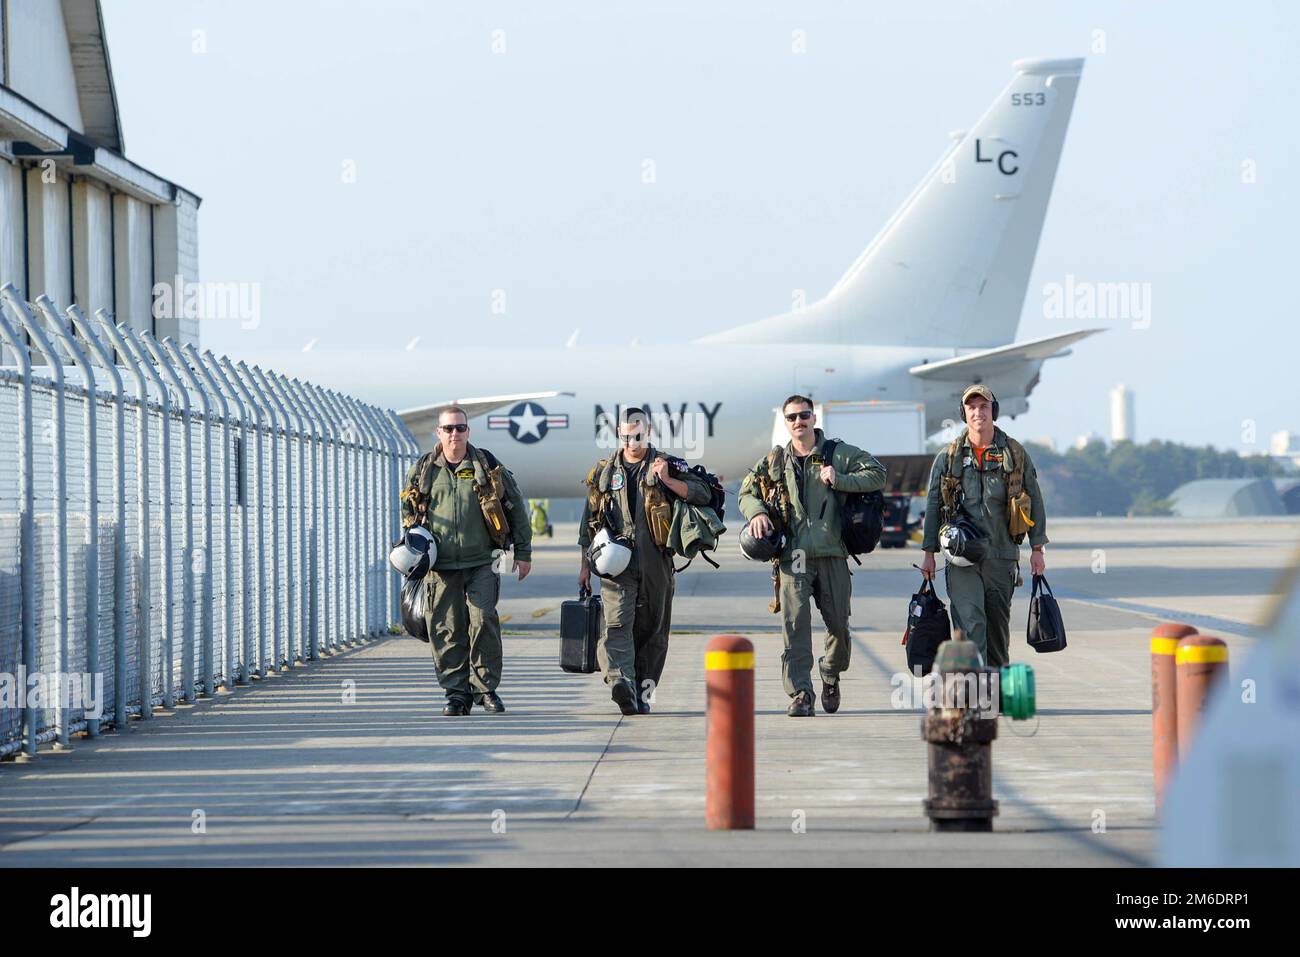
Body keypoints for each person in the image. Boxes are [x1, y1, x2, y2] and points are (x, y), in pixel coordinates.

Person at [737, 395, 886, 717]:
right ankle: (801, 693)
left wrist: (841, 479)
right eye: (791, 417)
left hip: (832, 553)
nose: (798, 422)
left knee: (839, 627)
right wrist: (756, 514)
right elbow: (746, 492)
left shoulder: (838, 453)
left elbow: (877, 474)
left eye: (804, 415)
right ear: (786, 422)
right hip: (795, 556)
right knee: (795, 627)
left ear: (813, 418)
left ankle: (830, 673)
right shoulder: (775, 461)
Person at [578, 408, 712, 715]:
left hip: (656, 558)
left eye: (637, 435)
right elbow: (589, 521)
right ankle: (620, 682)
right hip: (615, 561)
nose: (631, 441)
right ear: (619, 434)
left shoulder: (667, 464)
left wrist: (667, 479)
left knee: (654, 630)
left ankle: (643, 692)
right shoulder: (603, 472)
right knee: (616, 624)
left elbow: (701, 493)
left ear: (647, 432)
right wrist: (584, 566)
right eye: (626, 435)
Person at [400, 405, 532, 715]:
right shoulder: (424, 469)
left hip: (481, 562)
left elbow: (516, 509)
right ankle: (456, 694)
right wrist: (414, 551)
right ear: (439, 432)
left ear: (468, 431)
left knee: (483, 621)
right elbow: (408, 513)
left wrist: (523, 553)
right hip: (440, 567)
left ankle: (485, 689)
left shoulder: (486, 465)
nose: (455, 434)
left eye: (460, 428)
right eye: (448, 428)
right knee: (446, 629)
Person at [919, 384, 1048, 668]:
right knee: (970, 621)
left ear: (994, 411)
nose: (978, 412)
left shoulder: (1014, 454)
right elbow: (932, 505)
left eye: (984, 407)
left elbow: (1035, 501)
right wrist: (929, 552)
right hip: (961, 558)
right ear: (964, 414)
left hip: (1001, 556)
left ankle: (996, 683)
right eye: (972, 407)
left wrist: (1037, 548)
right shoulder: (949, 457)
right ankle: (977, 691)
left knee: (997, 629)